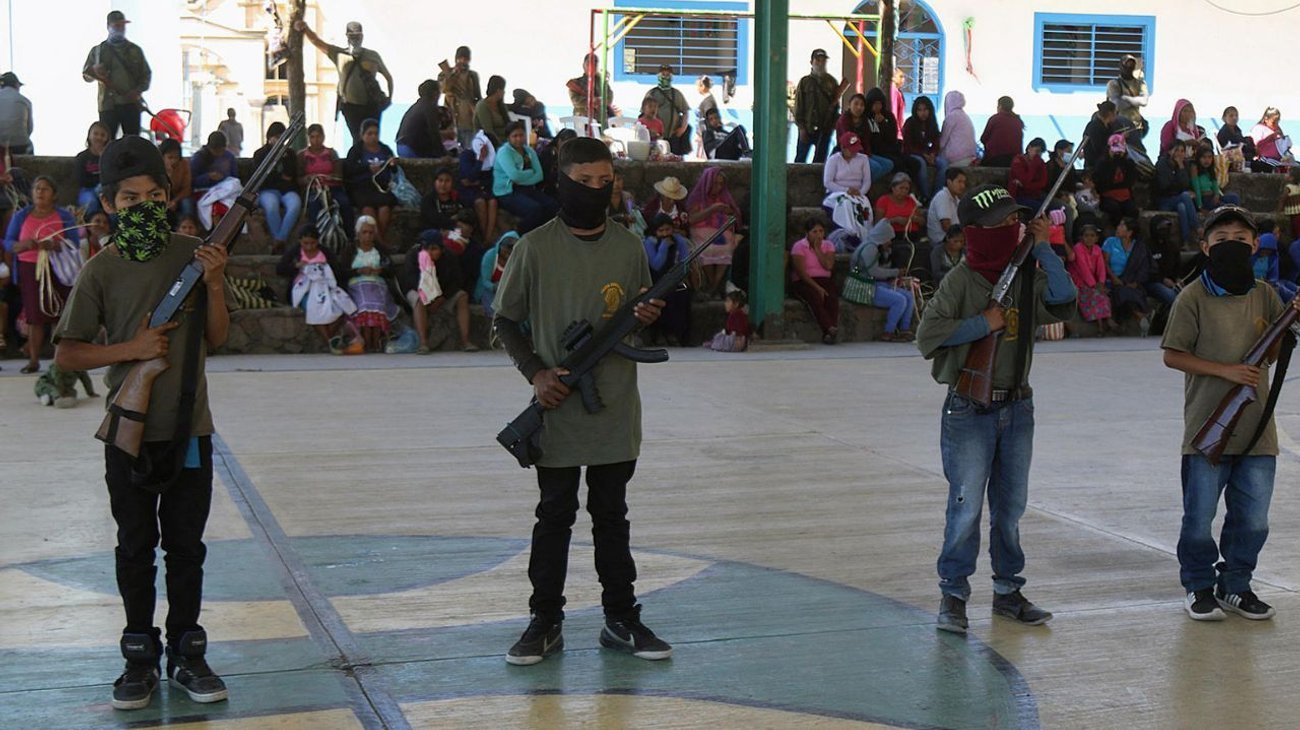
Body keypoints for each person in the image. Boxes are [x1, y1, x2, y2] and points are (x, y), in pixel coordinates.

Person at [52, 135, 231, 711]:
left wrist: (216, 283)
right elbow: (68, 355)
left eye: (156, 194)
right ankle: (138, 653)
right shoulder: (100, 270)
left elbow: (217, 339)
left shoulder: (191, 255)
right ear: (108, 204)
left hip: (190, 430)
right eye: (131, 199)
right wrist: (131, 349)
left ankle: (187, 647)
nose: (145, 206)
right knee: (135, 547)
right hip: (128, 429)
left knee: (186, 548)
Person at [492, 136, 670, 666]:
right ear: (561, 182)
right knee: (555, 515)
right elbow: (505, 319)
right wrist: (536, 373)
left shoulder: (628, 247)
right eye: (583, 181)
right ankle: (544, 620)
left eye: (604, 181)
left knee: (612, 515)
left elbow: (635, 321)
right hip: (558, 408)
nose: (595, 190)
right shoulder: (535, 247)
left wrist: (645, 319)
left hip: (615, 407)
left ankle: (621, 616)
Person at [915, 184, 1077, 634]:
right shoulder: (961, 281)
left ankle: (1008, 591)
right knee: (965, 507)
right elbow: (928, 336)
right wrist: (980, 324)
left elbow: (1065, 300)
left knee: (1011, 508)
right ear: (978, 232)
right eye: (1004, 222)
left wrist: (1043, 251)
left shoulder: (1025, 273)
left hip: (1017, 407)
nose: (1015, 227)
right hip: (970, 409)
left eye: (1016, 221)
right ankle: (953, 595)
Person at [1161, 205, 1298, 621]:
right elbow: (1172, 355)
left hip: (1257, 429)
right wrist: (1227, 371)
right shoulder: (1192, 297)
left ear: (1256, 246)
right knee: (1199, 518)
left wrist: (1288, 325)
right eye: (1222, 241)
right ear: (1205, 247)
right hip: (1208, 426)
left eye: (1241, 239)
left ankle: (1235, 584)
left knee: (1253, 520)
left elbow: (1272, 355)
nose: (1232, 246)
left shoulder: (1265, 294)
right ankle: (1199, 586)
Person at [5, 175, 81, 373]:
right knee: (34, 315)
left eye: (45, 189)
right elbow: (7, 242)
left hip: (57, 268)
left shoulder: (64, 216)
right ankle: (34, 360)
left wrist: (55, 245)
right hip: (30, 268)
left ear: (54, 195)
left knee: (58, 312)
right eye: (37, 188)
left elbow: (74, 243)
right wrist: (22, 245)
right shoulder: (22, 216)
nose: (40, 192)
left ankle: (59, 360)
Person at [296, 19, 393, 141]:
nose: (355, 39)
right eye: (352, 36)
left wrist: (389, 99)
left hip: (372, 105)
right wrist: (305, 28)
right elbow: (317, 42)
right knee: (357, 138)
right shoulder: (338, 54)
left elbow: (388, 78)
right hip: (351, 107)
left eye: (357, 36)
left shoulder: (372, 55)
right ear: (347, 37)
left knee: (372, 137)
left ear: (362, 36)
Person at [277, 225, 357, 352]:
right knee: (312, 308)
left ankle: (330, 341)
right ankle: (331, 342)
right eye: (305, 243)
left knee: (342, 307)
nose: (309, 247)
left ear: (318, 241)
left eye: (312, 243)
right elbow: (280, 269)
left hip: (325, 287)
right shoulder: (295, 252)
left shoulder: (325, 253)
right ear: (300, 241)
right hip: (304, 290)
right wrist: (296, 266)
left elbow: (338, 272)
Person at [400, 230, 477, 353]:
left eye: (434, 249)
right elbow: (411, 281)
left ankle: (465, 341)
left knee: (462, 296)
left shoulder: (449, 257)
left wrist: (442, 298)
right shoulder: (413, 256)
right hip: (419, 293)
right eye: (426, 249)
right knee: (418, 300)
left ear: (441, 249)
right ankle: (423, 343)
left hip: (443, 294)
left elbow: (456, 281)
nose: (429, 253)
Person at [82, 10, 151, 138]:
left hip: (130, 104)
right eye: (116, 26)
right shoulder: (98, 51)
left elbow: (146, 75)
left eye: (122, 26)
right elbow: (86, 75)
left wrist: (137, 91)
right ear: (108, 27)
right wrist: (94, 70)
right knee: (107, 144)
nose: (120, 29)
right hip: (108, 105)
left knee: (132, 144)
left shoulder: (135, 51)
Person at [852, 219, 917, 341]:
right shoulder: (869, 248)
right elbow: (874, 272)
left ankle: (904, 329)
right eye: (888, 239)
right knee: (900, 300)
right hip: (864, 287)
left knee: (909, 296)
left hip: (876, 284)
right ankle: (889, 331)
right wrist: (896, 272)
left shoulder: (877, 248)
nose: (890, 242)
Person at [685, 167, 742, 298]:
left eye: (721, 184)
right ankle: (714, 286)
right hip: (700, 231)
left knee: (727, 248)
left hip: (720, 231)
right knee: (706, 249)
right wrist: (712, 209)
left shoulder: (724, 197)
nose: (718, 187)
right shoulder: (697, 198)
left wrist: (728, 213)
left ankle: (713, 287)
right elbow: (691, 219)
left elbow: (734, 215)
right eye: (715, 183)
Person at [494, 121, 557, 235]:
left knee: (552, 205)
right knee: (534, 209)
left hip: (526, 189)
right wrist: (530, 172)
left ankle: (543, 233)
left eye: (521, 135)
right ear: (508, 138)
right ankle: (520, 233)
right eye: (515, 136)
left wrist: (522, 177)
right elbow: (514, 176)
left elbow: (539, 175)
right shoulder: (504, 152)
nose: (518, 139)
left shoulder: (529, 151)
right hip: (508, 191)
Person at [345, 215, 397, 351]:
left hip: (377, 285)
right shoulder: (350, 250)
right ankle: (367, 342)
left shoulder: (380, 251)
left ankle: (376, 342)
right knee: (365, 305)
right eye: (364, 232)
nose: (367, 236)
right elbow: (342, 271)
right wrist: (358, 271)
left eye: (370, 232)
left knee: (378, 305)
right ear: (358, 233)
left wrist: (381, 270)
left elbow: (390, 270)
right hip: (357, 285)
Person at [343, 118, 398, 240]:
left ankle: (379, 240)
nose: (373, 137)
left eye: (376, 133)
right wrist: (367, 169)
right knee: (368, 209)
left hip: (381, 188)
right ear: (362, 135)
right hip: (361, 188)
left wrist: (392, 165)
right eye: (369, 134)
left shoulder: (385, 149)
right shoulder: (356, 150)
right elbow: (349, 170)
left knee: (384, 209)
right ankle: (379, 242)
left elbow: (394, 170)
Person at [642, 213, 692, 346]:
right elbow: (656, 265)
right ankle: (658, 332)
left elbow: (685, 261)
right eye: (661, 230)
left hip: (673, 279)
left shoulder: (679, 240)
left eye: (668, 229)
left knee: (682, 294)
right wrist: (664, 246)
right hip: (654, 280)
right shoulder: (649, 242)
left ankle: (677, 333)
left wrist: (681, 275)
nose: (665, 233)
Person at [789, 217, 840, 344]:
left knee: (832, 298)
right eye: (814, 232)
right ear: (807, 233)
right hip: (805, 281)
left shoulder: (828, 245)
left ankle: (829, 332)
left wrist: (818, 250)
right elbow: (801, 272)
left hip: (824, 279)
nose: (818, 235)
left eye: (821, 231)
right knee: (815, 297)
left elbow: (828, 266)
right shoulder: (799, 247)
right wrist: (817, 287)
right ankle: (829, 328)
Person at [299, 123, 355, 238]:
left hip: (333, 188)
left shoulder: (331, 153)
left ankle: (350, 237)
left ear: (323, 137)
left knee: (344, 203)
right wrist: (308, 179)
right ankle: (313, 238)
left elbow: (339, 175)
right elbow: (299, 178)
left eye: (318, 136)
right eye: (312, 137)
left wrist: (329, 177)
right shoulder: (302, 156)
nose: (316, 140)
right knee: (313, 206)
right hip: (314, 189)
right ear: (308, 138)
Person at [252, 122, 301, 249]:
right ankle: (279, 240)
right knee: (271, 206)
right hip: (268, 190)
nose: (280, 140)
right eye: (277, 137)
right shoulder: (260, 154)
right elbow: (262, 177)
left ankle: (279, 239)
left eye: (282, 137)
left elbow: (290, 175)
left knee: (295, 205)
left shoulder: (289, 154)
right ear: (270, 137)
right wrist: (279, 176)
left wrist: (284, 160)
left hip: (287, 190)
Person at [794, 49, 844, 163]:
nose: (820, 63)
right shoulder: (804, 82)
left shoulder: (831, 82)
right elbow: (798, 106)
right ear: (811, 62)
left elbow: (836, 106)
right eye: (818, 60)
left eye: (823, 60)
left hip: (824, 129)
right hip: (807, 127)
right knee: (800, 160)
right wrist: (801, 127)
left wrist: (832, 125)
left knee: (820, 162)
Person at [863, 87, 918, 184]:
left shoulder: (888, 116)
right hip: (876, 152)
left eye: (879, 104)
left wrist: (883, 123)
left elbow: (892, 138)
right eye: (874, 104)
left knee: (914, 163)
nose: (877, 107)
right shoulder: (865, 118)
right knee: (897, 164)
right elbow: (870, 140)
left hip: (890, 150)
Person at [1102, 217, 1151, 325]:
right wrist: (1114, 278)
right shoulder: (1110, 242)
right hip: (1113, 279)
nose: (1118, 228)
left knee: (1132, 290)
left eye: (1122, 226)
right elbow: (1105, 263)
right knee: (1120, 291)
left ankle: (1141, 315)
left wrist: (1136, 282)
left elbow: (1143, 267)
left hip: (1131, 280)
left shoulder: (1139, 247)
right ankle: (1141, 315)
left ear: (1129, 232)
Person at [1069, 224, 1115, 333]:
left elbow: (1101, 268)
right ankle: (1101, 324)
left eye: (1092, 236)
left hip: (1094, 283)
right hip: (1079, 282)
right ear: (1081, 238)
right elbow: (1083, 269)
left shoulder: (1097, 249)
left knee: (1103, 294)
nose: (1089, 238)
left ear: (1097, 238)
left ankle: (1106, 321)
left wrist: (1101, 282)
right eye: (1086, 236)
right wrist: (1095, 285)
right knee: (1094, 295)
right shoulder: (1078, 248)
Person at [837, 93, 892, 181]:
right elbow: (848, 141)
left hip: (864, 152)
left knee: (889, 164)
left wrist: (867, 154)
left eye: (862, 105)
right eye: (856, 104)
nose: (859, 107)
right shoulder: (844, 120)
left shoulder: (864, 120)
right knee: (876, 167)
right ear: (849, 105)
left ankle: (862, 182)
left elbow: (866, 140)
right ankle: (859, 185)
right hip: (849, 153)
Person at [396, 79, 454, 159]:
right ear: (435, 93)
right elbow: (434, 133)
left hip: (401, 146)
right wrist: (443, 154)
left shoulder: (418, 105)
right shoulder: (429, 107)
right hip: (411, 148)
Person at [902, 96, 946, 201]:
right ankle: (925, 195)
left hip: (928, 154)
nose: (923, 113)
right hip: (913, 154)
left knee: (944, 164)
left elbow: (936, 142)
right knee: (921, 163)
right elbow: (908, 145)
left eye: (925, 109)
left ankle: (936, 196)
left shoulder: (931, 123)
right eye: (920, 110)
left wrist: (933, 154)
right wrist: (923, 155)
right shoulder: (910, 123)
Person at [1155, 140, 1198, 245]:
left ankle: (1186, 241)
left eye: (1182, 151)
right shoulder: (1162, 164)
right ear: (1170, 151)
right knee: (1184, 196)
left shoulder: (1183, 165)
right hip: (1164, 200)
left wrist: (1181, 168)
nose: (1179, 153)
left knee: (1182, 207)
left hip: (1177, 199)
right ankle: (1197, 228)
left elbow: (1185, 184)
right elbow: (1165, 185)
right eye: (1177, 150)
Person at [440, 46, 482, 150]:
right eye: (460, 58)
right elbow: (444, 89)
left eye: (465, 59)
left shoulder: (472, 75)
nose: (463, 61)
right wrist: (453, 74)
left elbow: (477, 96)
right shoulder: (445, 73)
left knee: (469, 151)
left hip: (469, 120)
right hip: (451, 119)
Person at [643, 64, 691, 156]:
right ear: (658, 76)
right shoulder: (652, 93)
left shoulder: (676, 94)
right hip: (655, 138)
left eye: (667, 75)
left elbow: (685, 112)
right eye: (663, 74)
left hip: (673, 137)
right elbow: (643, 114)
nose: (665, 77)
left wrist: (682, 129)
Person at [1095, 134, 1138, 228]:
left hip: (1125, 196)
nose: (1117, 154)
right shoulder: (1102, 164)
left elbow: (1129, 181)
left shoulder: (1129, 163)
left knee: (1132, 210)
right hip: (1108, 196)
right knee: (1114, 209)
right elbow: (1102, 184)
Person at [565, 53, 618, 127]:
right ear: (584, 66)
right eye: (589, 63)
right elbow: (576, 101)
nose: (593, 66)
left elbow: (609, 97)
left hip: (601, 119)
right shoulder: (576, 83)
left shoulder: (602, 83)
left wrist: (601, 101)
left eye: (595, 63)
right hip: (583, 120)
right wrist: (593, 101)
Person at [1106, 55, 1149, 144]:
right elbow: (1117, 104)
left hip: (1136, 127)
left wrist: (1126, 98)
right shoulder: (1113, 84)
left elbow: (1144, 101)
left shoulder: (1140, 83)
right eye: (1127, 65)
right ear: (1121, 66)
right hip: (1118, 127)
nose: (1129, 68)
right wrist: (1135, 101)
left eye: (1131, 66)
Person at [476, 230, 517, 316]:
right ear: (500, 245)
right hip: (488, 289)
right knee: (496, 311)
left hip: (507, 292)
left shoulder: (517, 262)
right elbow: (485, 281)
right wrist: (496, 287)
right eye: (506, 247)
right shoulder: (490, 256)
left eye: (511, 249)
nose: (508, 252)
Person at [1190, 144, 1239, 213]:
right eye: (1204, 157)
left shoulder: (1209, 170)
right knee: (1226, 209)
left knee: (1234, 197)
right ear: (1199, 158)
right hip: (1203, 200)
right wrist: (1200, 206)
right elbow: (1197, 189)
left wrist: (1216, 195)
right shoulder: (1195, 168)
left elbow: (1214, 184)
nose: (1207, 160)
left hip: (1213, 197)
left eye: (1209, 157)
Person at [875, 172, 923, 240]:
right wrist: (895, 220)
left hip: (911, 234)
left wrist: (914, 219)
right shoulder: (883, 200)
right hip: (891, 235)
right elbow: (878, 223)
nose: (904, 191)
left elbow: (922, 221)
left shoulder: (911, 200)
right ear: (893, 188)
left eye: (906, 189)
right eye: (901, 188)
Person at [76, 121, 110, 214]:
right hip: (87, 189)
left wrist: (103, 158)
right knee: (90, 203)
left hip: (106, 188)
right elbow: (80, 179)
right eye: (96, 134)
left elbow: (112, 175)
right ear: (89, 136)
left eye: (102, 135)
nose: (99, 137)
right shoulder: (82, 157)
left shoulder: (110, 156)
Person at [979, 96, 1024, 167]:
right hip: (1014, 160)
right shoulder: (1017, 120)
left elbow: (983, 139)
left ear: (1000, 106)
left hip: (995, 158)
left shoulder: (995, 119)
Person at [927, 168, 966, 245]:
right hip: (942, 242)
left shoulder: (956, 200)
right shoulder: (943, 196)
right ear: (949, 182)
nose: (962, 186)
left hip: (954, 239)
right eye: (959, 182)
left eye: (964, 182)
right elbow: (946, 226)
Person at [158, 139, 194, 224]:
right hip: (161, 197)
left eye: (176, 157)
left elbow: (187, 188)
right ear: (162, 156)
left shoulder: (184, 164)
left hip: (178, 196)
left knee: (187, 204)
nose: (173, 161)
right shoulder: (156, 166)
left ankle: (186, 229)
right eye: (170, 157)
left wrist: (175, 201)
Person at [939, 90, 977, 168]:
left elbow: (942, 142)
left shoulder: (951, 117)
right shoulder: (964, 116)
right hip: (970, 156)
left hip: (957, 158)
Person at [1008, 138, 1048, 210]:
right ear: (1029, 148)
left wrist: (1025, 186)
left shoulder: (1041, 163)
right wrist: (1034, 165)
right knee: (1040, 208)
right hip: (1019, 196)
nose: (1038, 155)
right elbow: (1025, 179)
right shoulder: (1018, 161)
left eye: (1041, 153)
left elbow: (1042, 183)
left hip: (1035, 195)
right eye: (1037, 151)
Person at [0, 71, 33, 155]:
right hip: (19, 146)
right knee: (30, 146)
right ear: (16, 85)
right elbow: (29, 129)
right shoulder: (25, 101)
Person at [608, 169, 647, 239]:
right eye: (612, 181)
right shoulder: (602, 199)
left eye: (619, 179)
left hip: (627, 233)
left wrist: (634, 215)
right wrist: (622, 217)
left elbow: (631, 211)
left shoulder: (627, 197)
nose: (616, 184)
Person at [1082, 101, 1119, 170]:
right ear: (1110, 113)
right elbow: (1098, 147)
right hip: (1095, 164)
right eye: (1116, 113)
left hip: (1107, 161)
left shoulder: (1109, 126)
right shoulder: (1094, 126)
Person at [475, 75, 510, 144]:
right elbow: (488, 130)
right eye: (503, 90)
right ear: (498, 90)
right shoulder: (482, 105)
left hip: (506, 140)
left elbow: (508, 125)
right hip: (490, 142)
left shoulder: (501, 105)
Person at [889, 67, 907, 141]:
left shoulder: (896, 91)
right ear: (893, 77)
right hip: (896, 130)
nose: (903, 80)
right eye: (900, 76)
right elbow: (894, 112)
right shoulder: (894, 91)